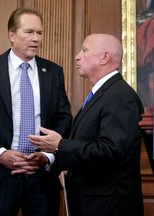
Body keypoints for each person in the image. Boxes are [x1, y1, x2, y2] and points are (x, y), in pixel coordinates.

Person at [0, 7, 72, 216]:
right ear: (12, 35)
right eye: (29, 32)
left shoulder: (53, 71)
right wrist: (1, 154)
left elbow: (64, 117)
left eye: (39, 33)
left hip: (41, 177)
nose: (36, 38)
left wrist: (46, 155)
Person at [28, 34, 145, 216]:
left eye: (84, 50)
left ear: (104, 58)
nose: (77, 56)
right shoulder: (104, 94)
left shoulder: (120, 96)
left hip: (107, 207)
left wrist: (60, 145)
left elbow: (109, 152)